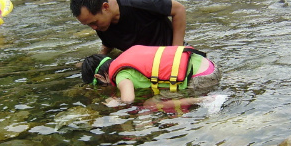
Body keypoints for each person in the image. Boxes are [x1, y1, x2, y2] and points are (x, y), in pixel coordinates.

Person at [81, 45, 221, 104]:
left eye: (99, 86)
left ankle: (207, 101)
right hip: (207, 64)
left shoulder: (120, 76)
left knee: (150, 104)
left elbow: (128, 100)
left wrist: (113, 102)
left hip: (202, 79)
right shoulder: (127, 54)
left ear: (98, 77)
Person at [70, 0, 186, 55]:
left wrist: (176, 52)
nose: (93, 28)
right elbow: (108, 44)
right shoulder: (101, 25)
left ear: (105, 7)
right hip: (143, 61)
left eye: (93, 22)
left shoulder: (139, 1)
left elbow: (179, 9)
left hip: (167, 52)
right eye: (88, 25)